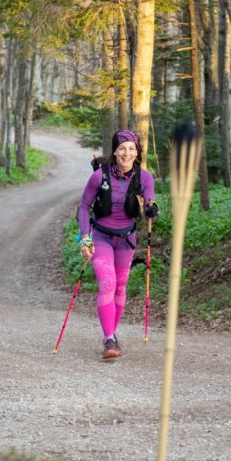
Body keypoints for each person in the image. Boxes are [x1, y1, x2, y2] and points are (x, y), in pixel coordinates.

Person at [78, 129, 159, 359]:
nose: (126, 153)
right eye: (122, 148)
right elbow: (84, 206)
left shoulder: (144, 178)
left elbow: (150, 207)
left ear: (137, 152)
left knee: (121, 286)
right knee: (107, 282)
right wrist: (84, 238)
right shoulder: (99, 177)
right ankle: (109, 339)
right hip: (101, 235)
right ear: (115, 150)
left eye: (131, 148)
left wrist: (152, 211)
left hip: (126, 238)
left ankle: (111, 334)